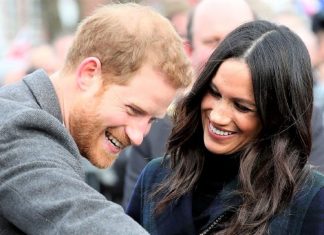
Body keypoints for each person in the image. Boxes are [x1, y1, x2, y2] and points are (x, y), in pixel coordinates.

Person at [0, 3, 192, 234]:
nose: (138, 136)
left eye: (151, 119)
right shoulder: (15, 126)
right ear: (89, 73)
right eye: (133, 110)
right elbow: (79, 216)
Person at [127, 20, 324, 235]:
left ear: (277, 117)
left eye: (241, 107)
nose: (218, 115)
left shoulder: (311, 199)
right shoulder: (157, 176)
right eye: (214, 92)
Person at [119, 0, 255, 209]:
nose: (230, 53)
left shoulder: (299, 120)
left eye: (243, 41)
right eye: (214, 42)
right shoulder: (154, 125)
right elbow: (133, 219)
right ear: (189, 50)